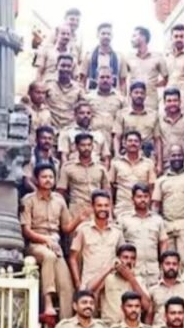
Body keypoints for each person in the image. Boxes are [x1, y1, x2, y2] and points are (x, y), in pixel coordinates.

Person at [20, 163, 88, 317]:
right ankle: (48, 303)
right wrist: (45, 239)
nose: (48, 180)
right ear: (36, 179)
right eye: (44, 177)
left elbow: (65, 228)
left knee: (67, 287)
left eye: (51, 176)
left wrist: (79, 219)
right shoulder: (28, 200)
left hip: (55, 245)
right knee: (48, 257)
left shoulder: (59, 200)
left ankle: (65, 323)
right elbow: (26, 230)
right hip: (35, 244)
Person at [68, 190, 125, 290]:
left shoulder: (117, 231)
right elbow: (73, 258)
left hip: (110, 285)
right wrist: (78, 283)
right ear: (93, 206)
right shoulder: (83, 229)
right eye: (99, 205)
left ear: (111, 207)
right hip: (89, 284)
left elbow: (123, 258)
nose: (103, 209)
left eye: (106, 205)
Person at [117, 183, 168, 286]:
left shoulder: (157, 219)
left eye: (146, 196)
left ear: (150, 198)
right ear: (133, 199)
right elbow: (118, 245)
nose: (143, 200)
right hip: (132, 271)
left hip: (153, 271)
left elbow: (163, 242)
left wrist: (162, 267)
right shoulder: (124, 219)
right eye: (139, 196)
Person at [88, 244, 151, 325]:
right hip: (110, 326)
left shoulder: (139, 280)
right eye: (125, 257)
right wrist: (110, 268)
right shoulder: (108, 278)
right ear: (118, 259)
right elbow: (89, 289)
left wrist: (131, 279)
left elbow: (147, 306)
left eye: (132, 258)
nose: (129, 261)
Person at [57, 131, 110, 217]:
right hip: (76, 212)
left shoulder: (101, 168)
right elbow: (60, 192)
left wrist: (109, 214)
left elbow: (107, 191)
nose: (86, 148)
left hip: (97, 211)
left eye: (89, 145)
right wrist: (64, 213)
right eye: (83, 145)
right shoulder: (68, 167)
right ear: (76, 147)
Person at [147, 250, 184, 326]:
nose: (171, 267)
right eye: (167, 264)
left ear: (179, 266)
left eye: (174, 264)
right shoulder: (153, 289)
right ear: (161, 266)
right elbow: (149, 315)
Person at [110, 131, 157, 217]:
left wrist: (150, 210)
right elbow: (111, 189)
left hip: (142, 210)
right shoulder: (115, 163)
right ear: (124, 143)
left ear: (140, 144)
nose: (133, 143)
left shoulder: (149, 163)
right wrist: (111, 211)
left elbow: (151, 189)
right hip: (121, 210)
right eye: (130, 141)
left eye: (136, 141)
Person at [126, 26, 169, 112]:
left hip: (151, 103)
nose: (131, 39)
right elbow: (122, 79)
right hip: (133, 103)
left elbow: (166, 78)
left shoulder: (158, 57)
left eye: (134, 36)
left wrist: (152, 85)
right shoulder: (128, 58)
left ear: (143, 37)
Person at [57, 102, 111, 167]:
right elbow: (64, 156)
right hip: (75, 169)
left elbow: (106, 158)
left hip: (96, 170)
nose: (86, 116)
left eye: (88, 113)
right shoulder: (67, 132)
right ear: (75, 115)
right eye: (82, 113)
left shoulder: (99, 134)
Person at [114, 81, 161, 156]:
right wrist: (117, 155)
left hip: (147, 155)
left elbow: (157, 140)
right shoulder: (122, 114)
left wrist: (159, 163)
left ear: (145, 95)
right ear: (130, 94)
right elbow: (117, 138)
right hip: (127, 155)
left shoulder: (153, 115)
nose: (139, 95)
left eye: (142, 93)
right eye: (136, 93)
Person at [86, 66, 126, 150]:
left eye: (108, 77)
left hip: (114, 141)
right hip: (92, 142)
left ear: (112, 80)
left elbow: (125, 121)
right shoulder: (88, 98)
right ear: (96, 79)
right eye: (102, 77)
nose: (105, 80)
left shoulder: (121, 99)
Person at [81, 23, 127, 91]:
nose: (106, 36)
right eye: (103, 33)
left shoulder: (119, 57)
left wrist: (122, 97)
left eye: (108, 34)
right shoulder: (89, 56)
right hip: (92, 96)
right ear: (97, 35)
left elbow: (123, 81)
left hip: (114, 97)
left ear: (112, 36)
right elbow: (82, 79)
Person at [45, 53, 85, 130]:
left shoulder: (78, 89)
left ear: (72, 68)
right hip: (51, 128)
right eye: (63, 66)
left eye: (69, 66)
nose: (66, 69)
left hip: (70, 129)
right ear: (57, 66)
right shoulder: (48, 85)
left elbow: (84, 108)